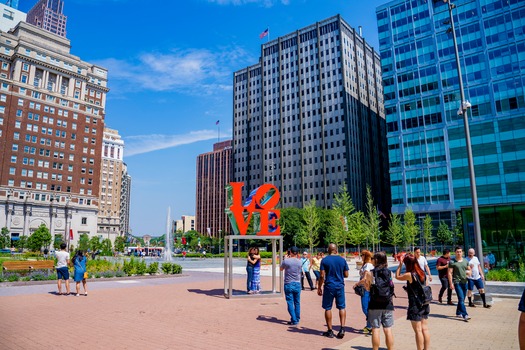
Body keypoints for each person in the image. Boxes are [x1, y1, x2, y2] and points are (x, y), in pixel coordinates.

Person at [395, 253, 430, 350]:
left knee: (418, 331)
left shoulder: (410, 275)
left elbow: (397, 276)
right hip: (424, 302)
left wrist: (400, 264)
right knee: (425, 328)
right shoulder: (422, 273)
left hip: (415, 304)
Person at [318, 243, 349, 339]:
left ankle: (330, 331)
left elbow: (322, 275)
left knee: (328, 308)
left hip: (329, 286)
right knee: (342, 307)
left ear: (328, 250)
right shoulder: (342, 260)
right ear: (336, 250)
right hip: (340, 286)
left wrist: (319, 287)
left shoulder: (324, 260)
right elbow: (346, 274)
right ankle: (342, 328)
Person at [367, 251, 395, 350]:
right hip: (388, 303)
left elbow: (367, 288)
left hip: (374, 303)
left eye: (373, 258)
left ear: (377, 260)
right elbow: (392, 287)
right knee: (388, 329)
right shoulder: (390, 272)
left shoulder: (370, 273)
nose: (372, 260)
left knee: (375, 329)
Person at [280, 246, 302, 325]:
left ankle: (294, 319)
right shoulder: (299, 262)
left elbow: (281, 269)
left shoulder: (286, 261)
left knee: (290, 302)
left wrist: (285, 259)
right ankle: (297, 318)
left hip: (288, 283)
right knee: (297, 302)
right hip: (297, 283)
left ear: (290, 252)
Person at [448, 246, 472, 322]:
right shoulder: (452, 262)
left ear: (462, 252)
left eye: (460, 251)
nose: (459, 253)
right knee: (461, 298)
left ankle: (458, 312)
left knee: (462, 299)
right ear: (455, 252)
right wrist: (451, 283)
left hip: (465, 282)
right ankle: (465, 315)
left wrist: (469, 273)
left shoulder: (465, 261)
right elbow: (449, 273)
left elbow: (469, 269)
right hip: (457, 282)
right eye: (457, 252)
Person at [354, 250, 373, 334]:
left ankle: (372, 324)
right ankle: (370, 325)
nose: (361, 256)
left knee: (365, 307)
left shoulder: (368, 265)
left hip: (366, 288)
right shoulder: (366, 265)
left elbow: (365, 278)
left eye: (362, 255)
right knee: (368, 307)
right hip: (368, 288)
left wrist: (357, 284)